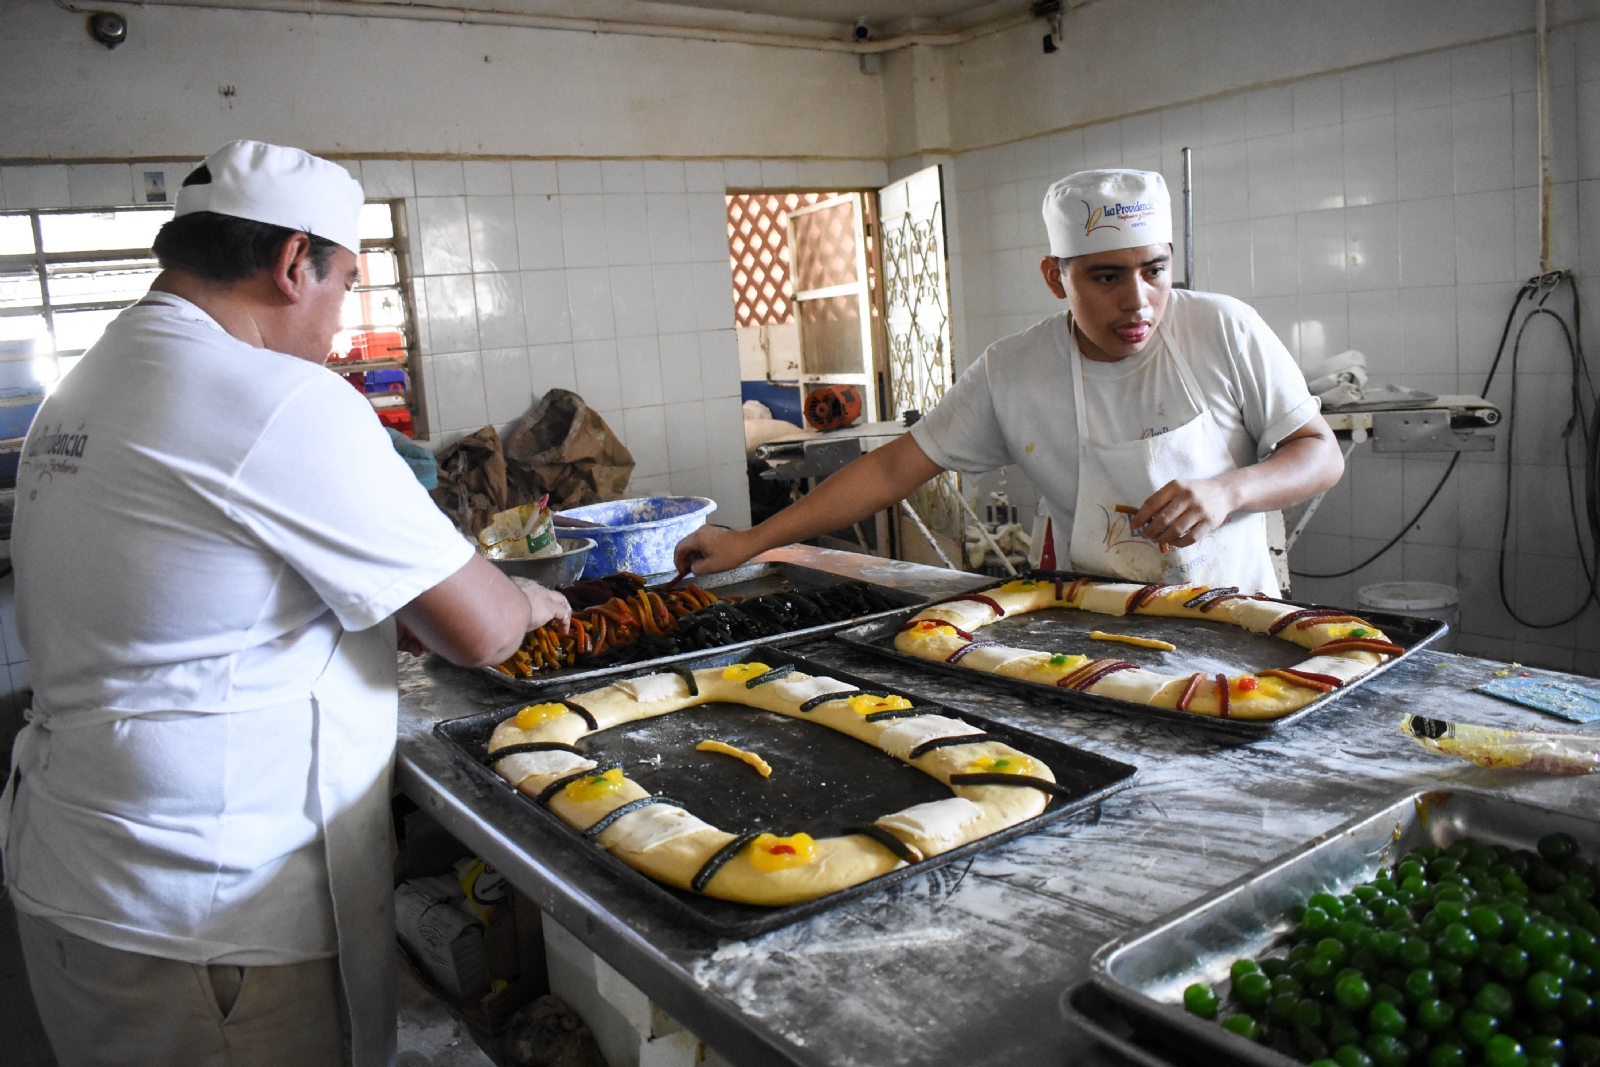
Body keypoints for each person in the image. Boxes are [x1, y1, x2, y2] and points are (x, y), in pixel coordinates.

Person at [1, 141, 569, 1067]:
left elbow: (200, 591)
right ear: (291, 260)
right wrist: (534, 603)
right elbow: (482, 628)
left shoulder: (88, 385)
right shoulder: (274, 397)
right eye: (344, 284)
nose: (343, 326)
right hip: (207, 914)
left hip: (86, 875)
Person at [675, 169, 1344, 595]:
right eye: (1106, 276)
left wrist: (1230, 489)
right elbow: (891, 470)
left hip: (1235, 613)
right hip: (1093, 623)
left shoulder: (1223, 330)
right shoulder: (1016, 369)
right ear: (1057, 277)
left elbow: (1319, 452)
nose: (1138, 300)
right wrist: (748, 543)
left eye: (1155, 270)